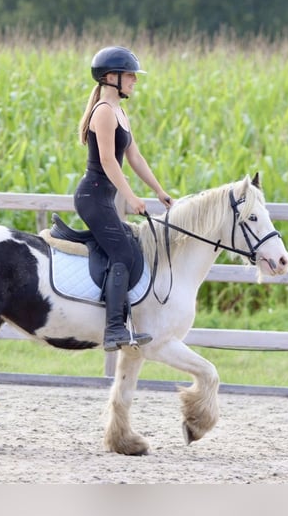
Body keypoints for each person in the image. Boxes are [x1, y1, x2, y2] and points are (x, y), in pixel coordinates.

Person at [74, 45, 174, 351]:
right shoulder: (103, 112)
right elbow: (107, 161)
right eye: (129, 74)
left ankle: (124, 322)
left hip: (103, 197)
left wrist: (159, 190)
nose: (134, 80)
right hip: (93, 196)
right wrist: (131, 197)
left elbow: (135, 157)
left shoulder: (120, 112)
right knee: (123, 254)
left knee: (130, 250)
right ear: (110, 77)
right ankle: (114, 329)